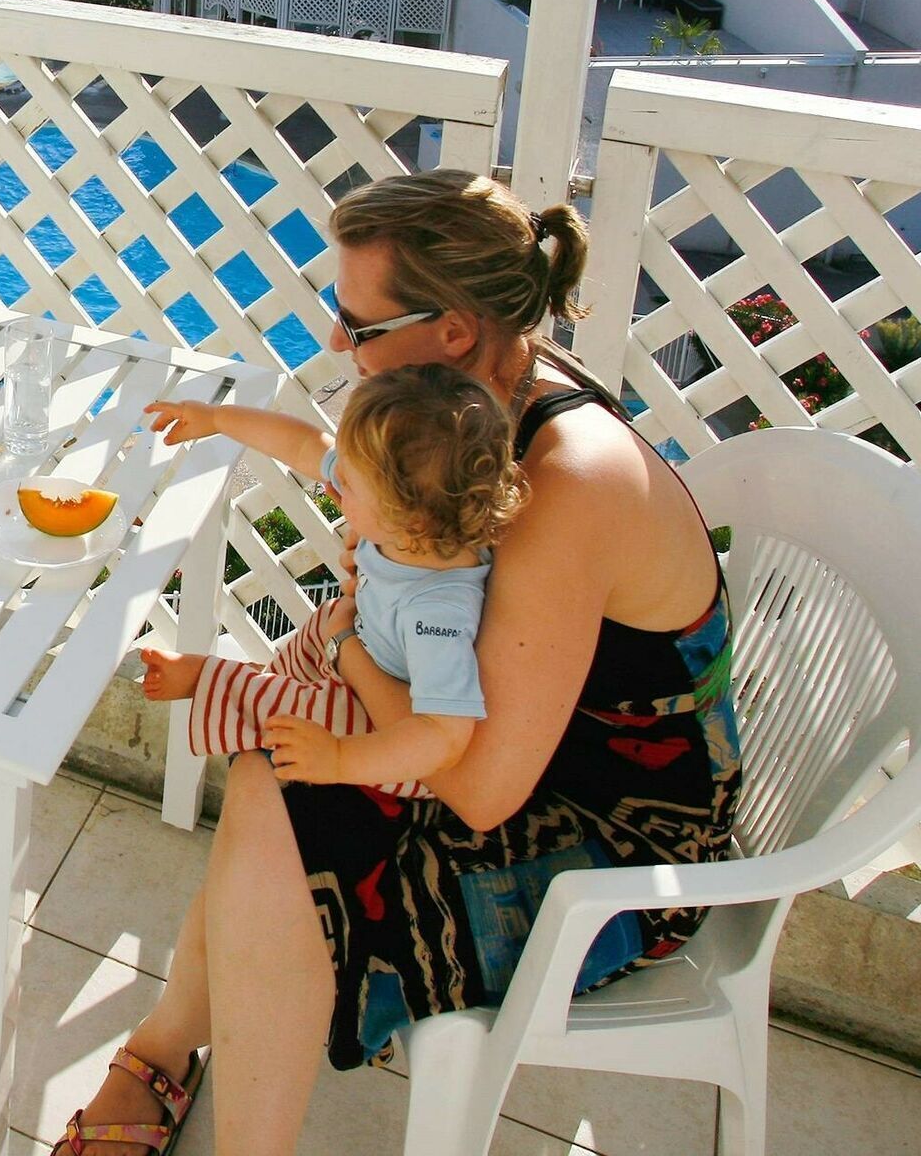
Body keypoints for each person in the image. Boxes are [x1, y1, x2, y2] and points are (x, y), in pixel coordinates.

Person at [50, 170, 738, 1156]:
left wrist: (348, 641)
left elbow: (483, 792)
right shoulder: (466, 407)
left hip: (616, 834)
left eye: (358, 324)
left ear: (453, 329)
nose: (338, 344)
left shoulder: (565, 481)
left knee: (282, 785)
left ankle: (190, 1082)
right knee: (279, 769)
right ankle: (167, 1047)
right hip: (513, 738)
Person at [139, 363, 526, 799]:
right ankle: (270, 678)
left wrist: (340, 757)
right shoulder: (413, 521)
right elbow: (303, 443)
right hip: (363, 639)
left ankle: (210, 681)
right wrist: (215, 418)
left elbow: (445, 735)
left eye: (350, 485)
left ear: (409, 519)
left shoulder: (435, 610)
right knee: (320, 626)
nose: (333, 487)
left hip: (395, 741)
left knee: (300, 710)